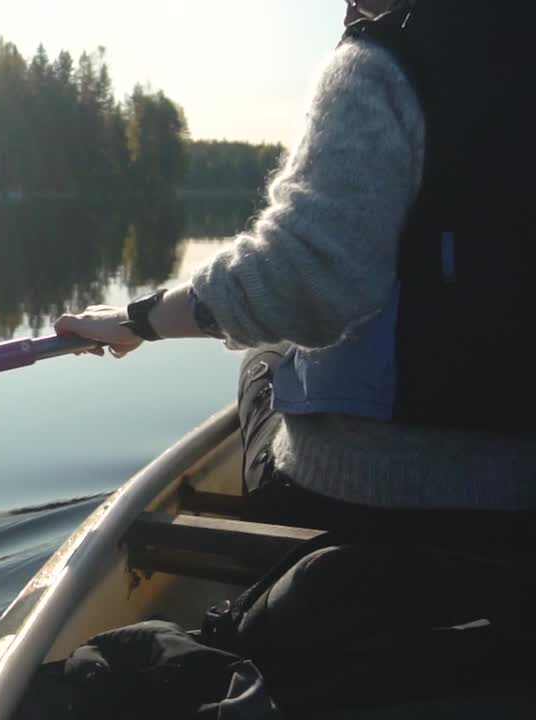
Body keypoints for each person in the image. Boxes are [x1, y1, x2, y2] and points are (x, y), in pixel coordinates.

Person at [54, 0, 536, 545]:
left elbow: (305, 280)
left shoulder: (383, 62)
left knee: (266, 360)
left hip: (364, 495)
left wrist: (138, 320)